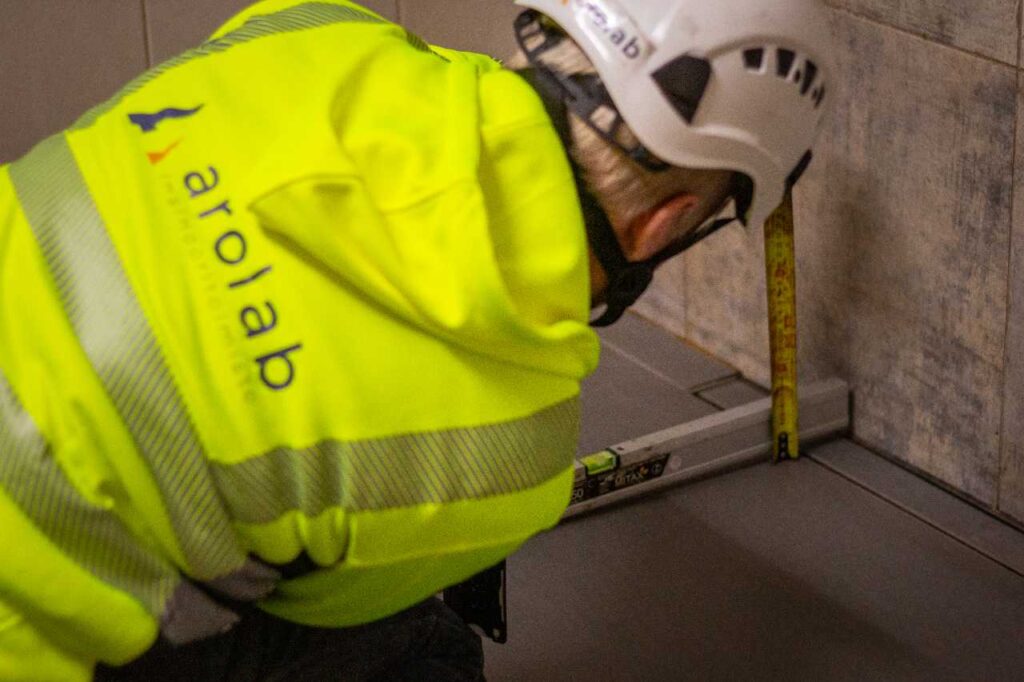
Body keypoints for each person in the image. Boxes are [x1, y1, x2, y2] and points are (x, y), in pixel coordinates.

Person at [0, 0, 832, 679]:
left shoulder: (319, 25)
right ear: (666, 224)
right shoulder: (511, 453)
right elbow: (316, 613)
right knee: (420, 651)